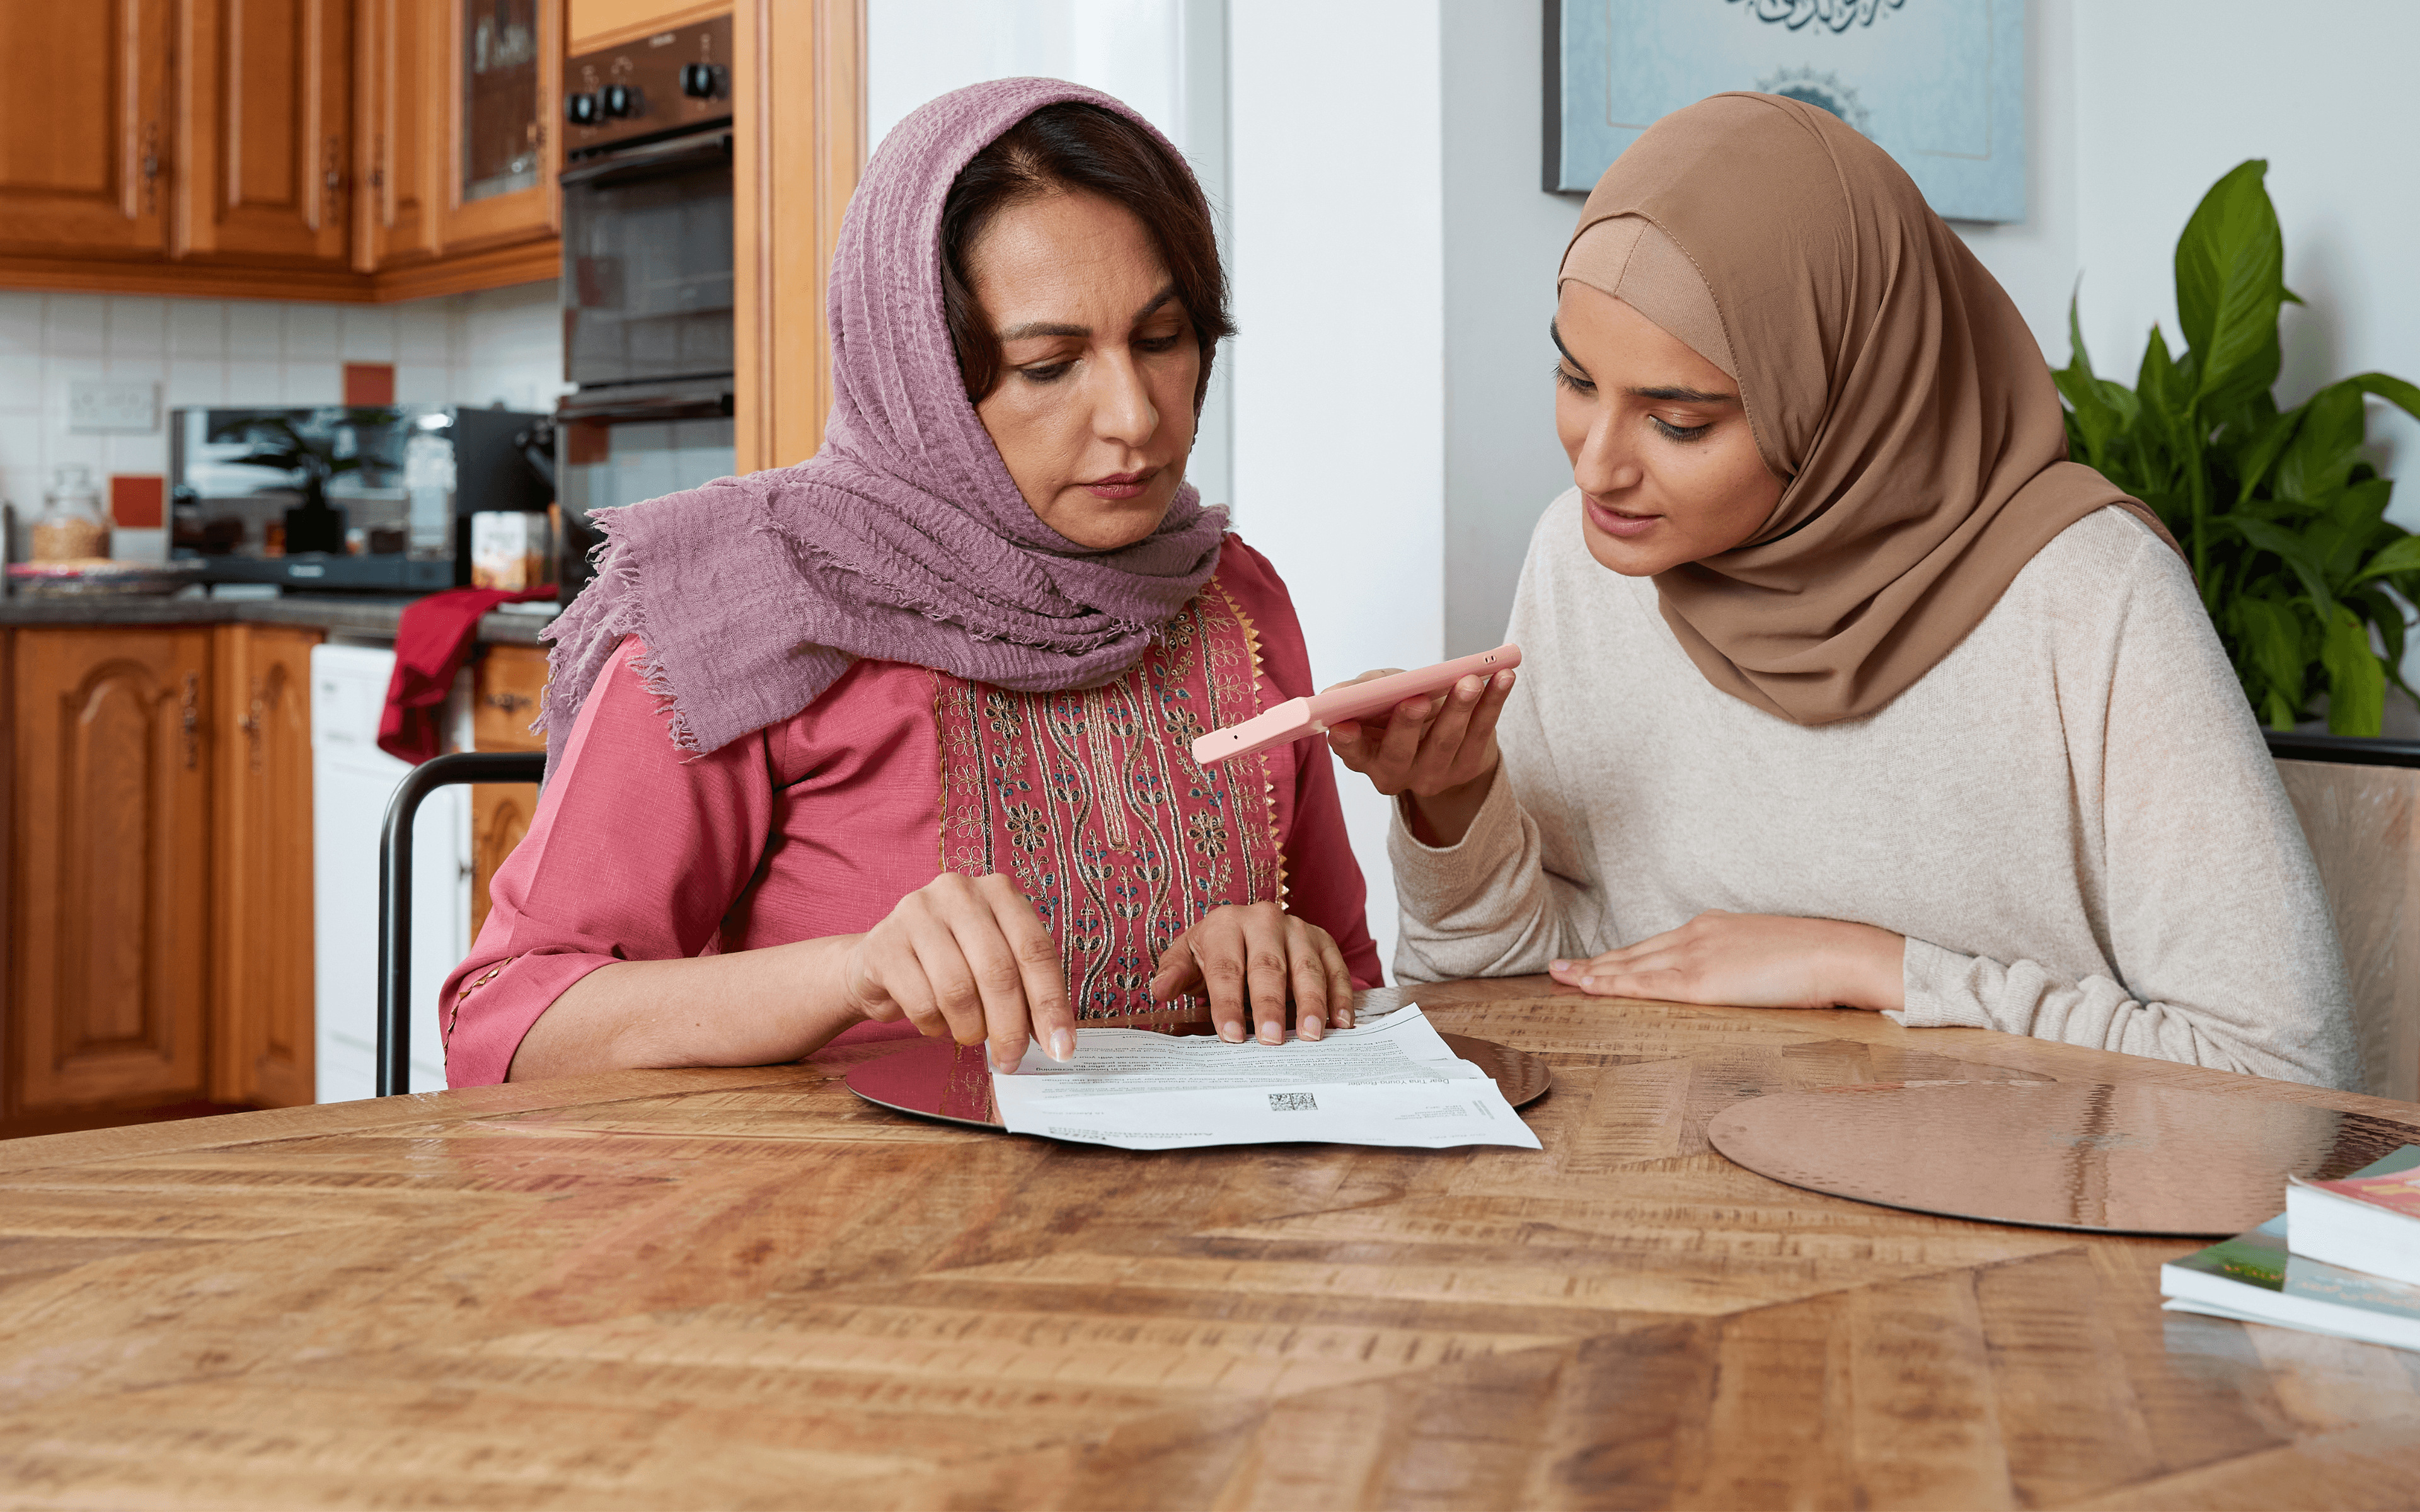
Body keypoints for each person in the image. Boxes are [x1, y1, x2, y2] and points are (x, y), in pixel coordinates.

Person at [1328, 93, 2357, 1090]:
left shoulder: (2091, 594)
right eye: (1576, 380)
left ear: (1840, 393)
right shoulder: (1586, 559)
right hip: (1669, 1217)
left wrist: (1862, 968)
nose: (1596, 466)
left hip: (2013, 1240)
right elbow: (1512, 999)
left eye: (1678, 421)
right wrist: (1453, 799)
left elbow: (2284, 1078)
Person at [441, 79, 1380, 1087]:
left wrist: (1292, 964)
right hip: (838, 1233)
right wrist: (853, 974)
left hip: (1191, 1234)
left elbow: (1356, 991)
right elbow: (510, 1027)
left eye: (1162, 341)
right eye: (1050, 365)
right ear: (919, 373)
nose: (1138, 419)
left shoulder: (1231, 597)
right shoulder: (745, 609)